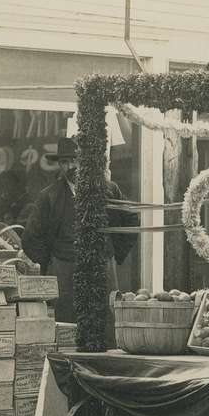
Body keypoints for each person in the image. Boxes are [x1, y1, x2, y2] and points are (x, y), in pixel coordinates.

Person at [21, 137, 138, 333]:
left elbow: (131, 219)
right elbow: (30, 238)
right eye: (65, 162)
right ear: (59, 165)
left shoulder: (109, 190)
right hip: (66, 271)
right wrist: (52, 261)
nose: (71, 167)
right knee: (68, 327)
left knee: (105, 324)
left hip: (102, 270)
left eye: (75, 160)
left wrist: (114, 253)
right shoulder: (49, 196)